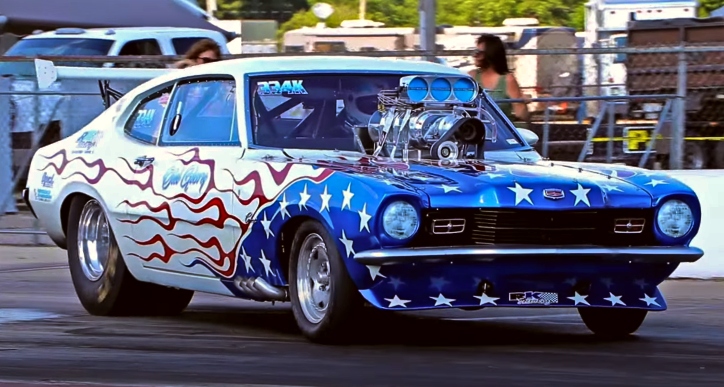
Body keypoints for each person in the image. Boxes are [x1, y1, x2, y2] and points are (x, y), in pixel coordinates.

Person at [467, 34, 530, 124]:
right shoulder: (472, 76)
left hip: (499, 132)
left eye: (478, 53)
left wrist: (522, 102)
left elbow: (521, 114)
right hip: (475, 131)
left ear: (491, 54)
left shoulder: (507, 79)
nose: (475, 56)